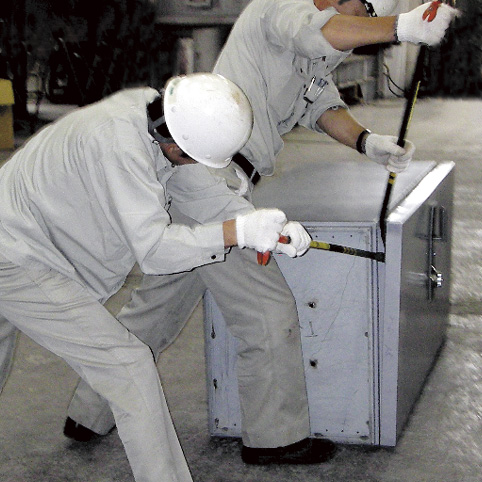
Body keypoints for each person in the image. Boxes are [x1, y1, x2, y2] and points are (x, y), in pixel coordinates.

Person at [61, 0, 460, 468]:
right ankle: (274, 438)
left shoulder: (318, 47)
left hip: (210, 177)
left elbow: (321, 104)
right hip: (208, 179)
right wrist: (400, 27)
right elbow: (320, 32)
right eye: (366, 8)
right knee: (266, 308)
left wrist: (367, 142)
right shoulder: (282, 9)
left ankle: (88, 413)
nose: (366, 17)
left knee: (158, 308)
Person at [0, 72, 308, 482]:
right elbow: (155, 251)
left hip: (22, 240)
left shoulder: (161, 118)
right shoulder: (117, 145)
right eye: (193, 157)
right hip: (18, 257)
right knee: (128, 366)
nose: (196, 166)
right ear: (175, 144)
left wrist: (264, 225)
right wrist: (237, 232)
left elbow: (202, 195)